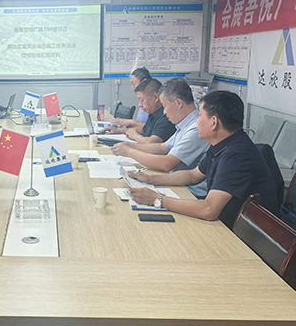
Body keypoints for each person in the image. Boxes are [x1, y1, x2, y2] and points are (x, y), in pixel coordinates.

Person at [128, 90, 279, 229]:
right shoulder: (221, 144)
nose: (197, 122)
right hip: (226, 223)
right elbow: (192, 175)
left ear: (213, 122)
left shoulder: (237, 155)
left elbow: (209, 209)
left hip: (243, 235)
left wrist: (157, 199)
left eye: (200, 116)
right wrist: (149, 179)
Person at [111, 78, 209, 198]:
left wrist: (129, 152)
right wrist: (129, 145)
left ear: (179, 103)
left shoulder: (195, 128)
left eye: (165, 106)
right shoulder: (184, 125)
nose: (164, 112)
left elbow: (167, 163)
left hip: (190, 193)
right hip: (177, 184)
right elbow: (162, 148)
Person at [121, 78, 175, 144]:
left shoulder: (166, 117)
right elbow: (144, 130)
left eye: (142, 100)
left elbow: (151, 142)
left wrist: (135, 136)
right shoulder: (153, 113)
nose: (139, 105)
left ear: (155, 97)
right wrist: (118, 131)